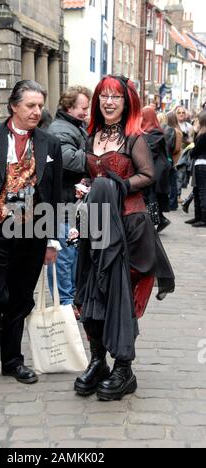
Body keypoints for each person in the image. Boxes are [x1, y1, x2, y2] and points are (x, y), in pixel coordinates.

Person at [72, 75, 175, 401]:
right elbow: (90, 175)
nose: (109, 102)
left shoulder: (135, 138)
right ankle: (98, 360)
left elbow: (148, 175)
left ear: (126, 101)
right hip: (96, 224)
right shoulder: (91, 136)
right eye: (104, 96)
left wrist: (118, 186)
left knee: (120, 295)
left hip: (129, 227)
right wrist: (86, 187)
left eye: (116, 97)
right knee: (93, 292)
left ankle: (123, 367)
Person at [0, 80, 63, 392]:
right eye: (30, 105)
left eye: (40, 106)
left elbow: (54, 194)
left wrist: (52, 238)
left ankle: (13, 360)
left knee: (20, 300)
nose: (36, 111)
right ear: (14, 106)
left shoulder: (49, 143)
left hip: (32, 233)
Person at [48, 86, 92, 319]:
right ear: (69, 107)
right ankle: (65, 301)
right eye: (83, 108)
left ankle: (72, 299)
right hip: (63, 203)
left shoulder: (74, 126)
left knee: (74, 254)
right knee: (63, 255)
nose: (86, 112)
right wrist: (99, 157)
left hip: (75, 203)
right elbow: (69, 160)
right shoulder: (60, 129)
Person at [141, 106, 171, 233]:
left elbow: (149, 151)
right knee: (151, 195)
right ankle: (158, 219)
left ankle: (155, 220)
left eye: (142, 116)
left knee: (152, 195)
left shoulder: (155, 133)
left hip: (157, 170)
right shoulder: (150, 132)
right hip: (154, 169)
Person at [188, 111, 206, 228]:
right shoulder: (201, 134)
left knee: (202, 192)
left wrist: (190, 151)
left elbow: (196, 150)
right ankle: (198, 217)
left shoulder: (204, 136)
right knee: (197, 191)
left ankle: (203, 219)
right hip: (200, 163)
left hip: (201, 164)